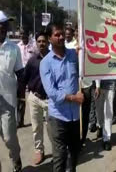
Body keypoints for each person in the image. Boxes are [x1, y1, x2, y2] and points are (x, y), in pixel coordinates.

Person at [40, 23, 84, 172]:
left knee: (74, 153)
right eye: (56, 35)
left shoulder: (73, 54)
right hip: (58, 117)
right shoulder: (46, 63)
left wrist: (85, 54)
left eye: (61, 34)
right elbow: (52, 92)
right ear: (49, 38)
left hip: (75, 116)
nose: (60, 37)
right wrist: (73, 98)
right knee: (60, 156)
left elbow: (84, 69)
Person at [22, 31, 51, 165]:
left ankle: (58, 151)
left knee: (52, 127)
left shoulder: (53, 58)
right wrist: (21, 93)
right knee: (36, 127)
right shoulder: (32, 60)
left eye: (43, 41)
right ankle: (39, 151)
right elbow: (24, 78)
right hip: (34, 98)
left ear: (48, 42)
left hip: (50, 100)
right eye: (39, 41)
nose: (41, 44)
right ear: (36, 43)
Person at [0, 10, 23, 172]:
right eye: (1, 25)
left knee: (9, 137)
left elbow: (20, 73)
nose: (3, 28)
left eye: (5, 25)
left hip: (8, 100)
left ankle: (15, 157)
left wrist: (21, 95)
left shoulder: (14, 48)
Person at [16, 28, 37, 127]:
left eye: (24, 34)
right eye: (21, 34)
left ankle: (37, 119)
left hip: (32, 75)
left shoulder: (34, 45)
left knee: (34, 97)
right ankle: (20, 121)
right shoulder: (17, 47)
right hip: (21, 75)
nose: (22, 36)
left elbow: (39, 56)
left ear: (28, 34)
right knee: (21, 98)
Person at [94, 79, 116, 151]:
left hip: (111, 84)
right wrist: (97, 86)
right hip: (98, 85)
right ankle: (100, 126)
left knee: (109, 112)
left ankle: (107, 139)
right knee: (99, 111)